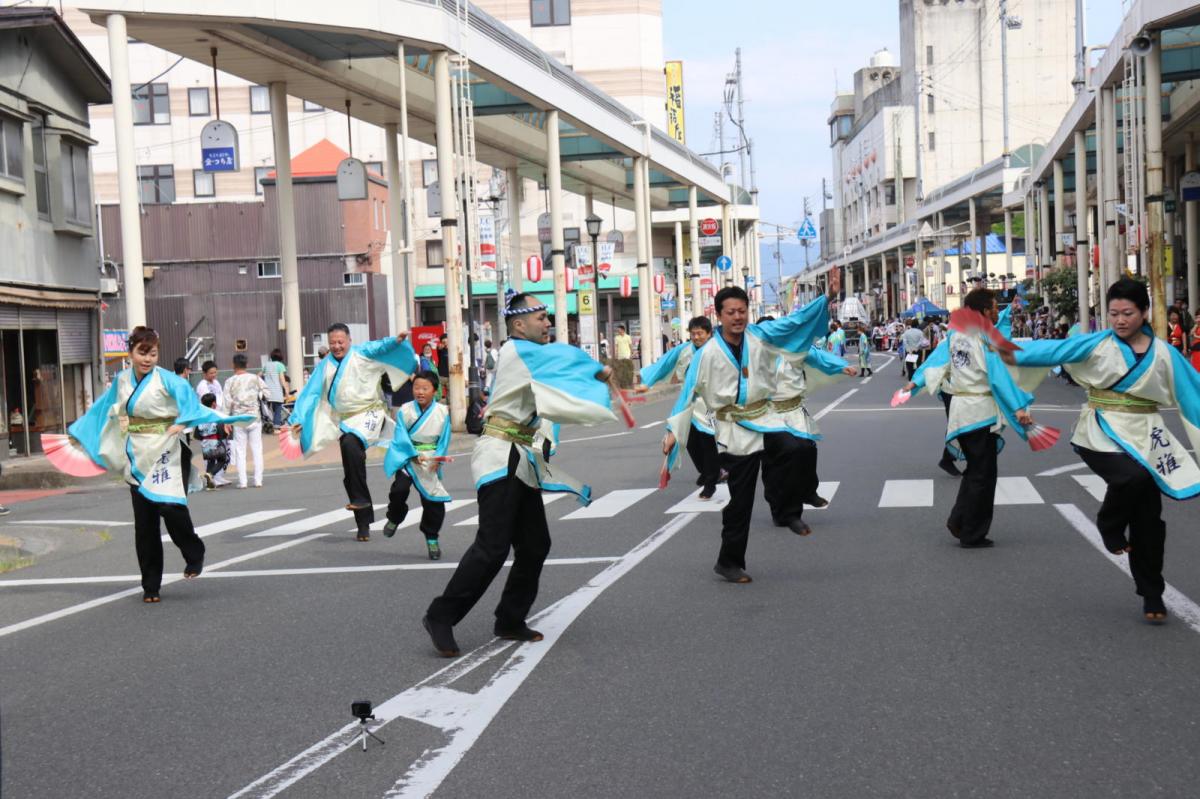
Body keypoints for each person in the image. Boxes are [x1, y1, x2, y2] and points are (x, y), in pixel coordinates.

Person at [422, 291, 617, 657]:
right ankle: (441, 615)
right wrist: (597, 369)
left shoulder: (528, 356)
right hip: (500, 457)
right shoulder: (519, 351)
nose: (548, 324)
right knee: (492, 547)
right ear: (518, 325)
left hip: (519, 457)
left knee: (534, 544)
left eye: (547, 318)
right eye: (541, 318)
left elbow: (557, 387)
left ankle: (509, 619)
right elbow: (563, 360)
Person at [1011, 278, 1200, 623]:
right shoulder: (1095, 344)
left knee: (1149, 518)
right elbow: (1046, 351)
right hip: (1099, 431)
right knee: (1133, 477)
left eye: (1127, 313)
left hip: (1146, 433)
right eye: (1113, 313)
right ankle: (1109, 524)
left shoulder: (1165, 354)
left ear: (1144, 312)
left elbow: (1194, 397)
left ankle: (1152, 591)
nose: (1120, 320)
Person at [61, 327, 252, 602]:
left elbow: (191, 406)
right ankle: (151, 586)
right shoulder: (122, 381)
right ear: (131, 353)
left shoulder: (168, 380)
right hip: (137, 451)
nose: (147, 359)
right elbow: (103, 409)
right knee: (145, 524)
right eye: (142, 353)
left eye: (152, 353)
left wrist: (180, 424)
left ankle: (193, 551)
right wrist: (79, 432)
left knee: (171, 507)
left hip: (166, 448)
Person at [662, 287, 835, 583]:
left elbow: (794, 322)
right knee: (740, 500)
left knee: (800, 448)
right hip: (734, 427)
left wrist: (823, 301)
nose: (738, 317)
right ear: (719, 315)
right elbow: (687, 392)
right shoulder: (707, 354)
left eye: (742, 311)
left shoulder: (760, 335)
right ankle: (728, 562)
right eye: (731, 312)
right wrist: (672, 431)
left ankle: (787, 510)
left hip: (764, 416)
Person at [899, 288, 1035, 549]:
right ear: (984, 311)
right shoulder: (983, 338)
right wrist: (1018, 407)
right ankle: (971, 532)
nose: (997, 311)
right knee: (983, 475)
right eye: (994, 307)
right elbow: (998, 375)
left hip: (962, 410)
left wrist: (914, 383)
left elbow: (936, 363)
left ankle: (960, 521)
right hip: (979, 410)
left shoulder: (955, 334)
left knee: (976, 471)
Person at [288, 324, 416, 541]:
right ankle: (363, 520)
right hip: (346, 420)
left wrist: (395, 340)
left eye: (340, 342)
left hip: (369, 414)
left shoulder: (361, 352)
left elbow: (378, 347)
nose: (337, 346)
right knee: (350, 468)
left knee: (350, 444)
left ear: (348, 340)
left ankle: (376, 501)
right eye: (333, 343)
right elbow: (310, 393)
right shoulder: (325, 366)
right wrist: (296, 419)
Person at [754, 315, 857, 526]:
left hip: (794, 409)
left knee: (807, 449)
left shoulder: (795, 349)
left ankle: (808, 491)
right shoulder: (752, 354)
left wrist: (840, 366)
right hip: (768, 414)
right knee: (776, 461)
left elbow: (818, 356)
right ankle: (779, 508)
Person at [636, 316, 721, 499]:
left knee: (707, 443)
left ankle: (711, 481)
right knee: (687, 439)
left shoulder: (717, 350)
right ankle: (707, 472)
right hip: (687, 401)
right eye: (693, 334)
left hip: (709, 402)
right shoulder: (684, 350)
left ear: (709, 334)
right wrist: (647, 383)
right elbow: (664, 363)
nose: (697, 337)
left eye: (700, 333)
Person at [383, 370, 452, 560]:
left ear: (435, 391)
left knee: (434, 502)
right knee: (399, 490)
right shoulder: (405, 410)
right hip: (408, 457)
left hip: (429, 459)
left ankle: (432, 538)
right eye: (416, 388)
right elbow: (400, 436)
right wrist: (413, 454)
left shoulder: (442, 412)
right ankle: (395, 517)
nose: (420, 392)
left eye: (425, 388)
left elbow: (444, 440)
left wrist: (437, 459)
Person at [223, 354, 267, 489]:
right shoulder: (255, 378)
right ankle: (258, 480)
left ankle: (243, 482)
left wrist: (226, 422)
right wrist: (257, 395)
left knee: (240, 451)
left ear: (233, 365)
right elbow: (267, 393)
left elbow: (226, 403)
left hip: (238, 419)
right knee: (257, 449)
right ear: (247, 365)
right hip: (254, 417)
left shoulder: (230, 381)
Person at [195, 393, 230, 490]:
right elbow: (220, 429)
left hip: (205, 441)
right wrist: (224, 436)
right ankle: (210, 474)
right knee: (222, 460)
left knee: (210, 461)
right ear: (214, 403)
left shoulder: (201, 415)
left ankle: (209, 483)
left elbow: (197, 433)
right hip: (215, 440)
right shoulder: (215, 414)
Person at [172, 358, 195, 490]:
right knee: (184, 460)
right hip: (182, 427)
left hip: (172, 426)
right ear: (186, 369)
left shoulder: (170, 383)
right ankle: (182, 488)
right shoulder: (183, 385)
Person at [262, 348, 291, 427]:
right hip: (277, 391)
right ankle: (276, 426)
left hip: (267, 392)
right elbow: (282, 379)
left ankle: (267, 425)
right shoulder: (280, 365)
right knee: (277, 409)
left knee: (267, 410)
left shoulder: (266, 365)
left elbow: (260, 375)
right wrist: (286, 391)